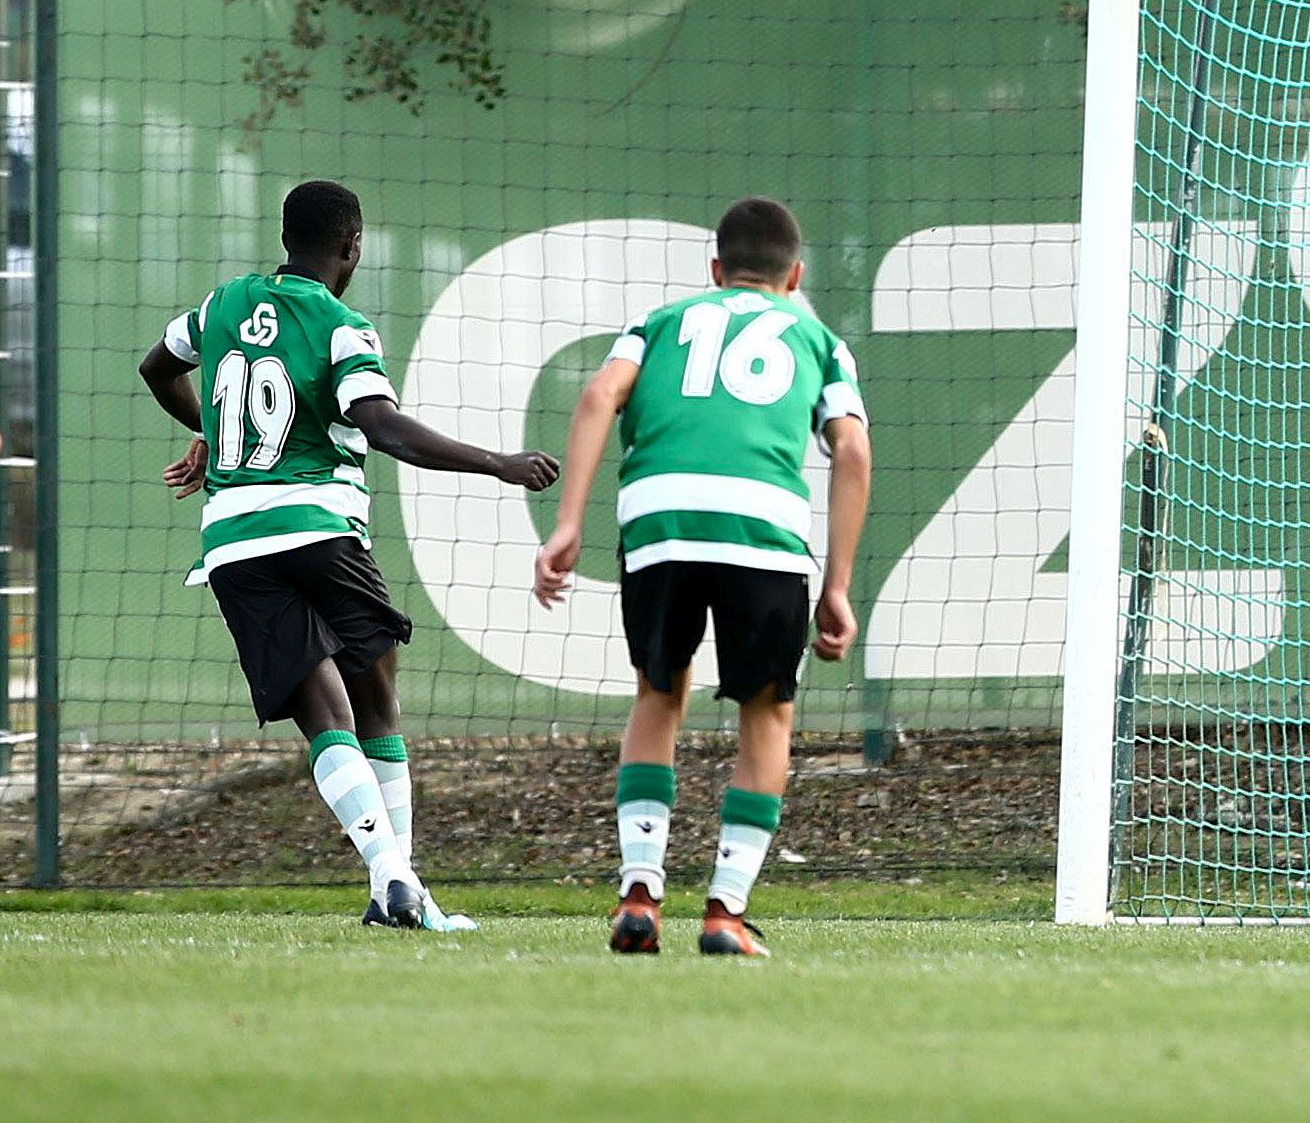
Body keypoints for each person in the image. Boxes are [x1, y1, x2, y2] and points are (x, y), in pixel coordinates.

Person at [138, 179, 559, 930]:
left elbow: (156, 368)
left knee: (325, 717)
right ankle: (400, 884)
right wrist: (498, 463)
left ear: (285, 237)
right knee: (377, 705)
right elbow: (384, 428)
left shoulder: (222, 304)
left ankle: (392, 885)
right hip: (322, 530)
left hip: (235, 542)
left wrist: (214, 433)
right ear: (351, 245)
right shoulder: (343, 326)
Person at [534, 197, 872, 958]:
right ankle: (724, 913)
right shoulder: (820, 340)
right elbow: (851, 450)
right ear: (796, 277)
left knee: (658, 694)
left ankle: (638, 897)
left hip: (661, 519)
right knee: (766, 713)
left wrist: (568, 522)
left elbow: (597, 395)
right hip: (764, 531)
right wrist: (837, 586)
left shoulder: (658, 323)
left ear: (715, 269)